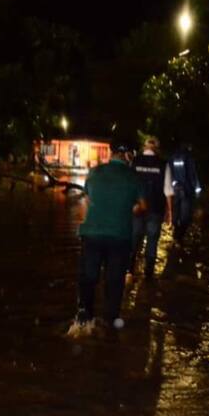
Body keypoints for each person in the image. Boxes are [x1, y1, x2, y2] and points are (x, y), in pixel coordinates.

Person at [68, 142, 146, 337]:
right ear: (127, 155)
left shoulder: (94, 172)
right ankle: (110, 324)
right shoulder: (133, 176)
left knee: (88, 277)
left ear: (111, 154)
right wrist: (128, 209)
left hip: (91, 233)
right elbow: (143, 206)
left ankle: (84, 316)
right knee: (114, 280)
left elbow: (87, 199)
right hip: (119, 235)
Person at [131, 136, 170, 278]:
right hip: (156, 208)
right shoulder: (163, 164)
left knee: (134, 238)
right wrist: (169, 211)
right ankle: (149, 274)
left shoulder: (135, 162)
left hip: (137, 208)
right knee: (152, 241)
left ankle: (129, 269)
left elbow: (129, 185)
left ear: (144, 147)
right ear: (157, 148)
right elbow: (168, 190)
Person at [168, 143, 201, 244]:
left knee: (176, 213)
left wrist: (173, 185)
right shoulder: (189, 158)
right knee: (185, 216)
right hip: (186, 191)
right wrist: (197, 190)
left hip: (177, 189)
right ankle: (179, 236)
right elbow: (193, 175)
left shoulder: (173, 157)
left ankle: (176, 233)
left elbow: (170, 173)